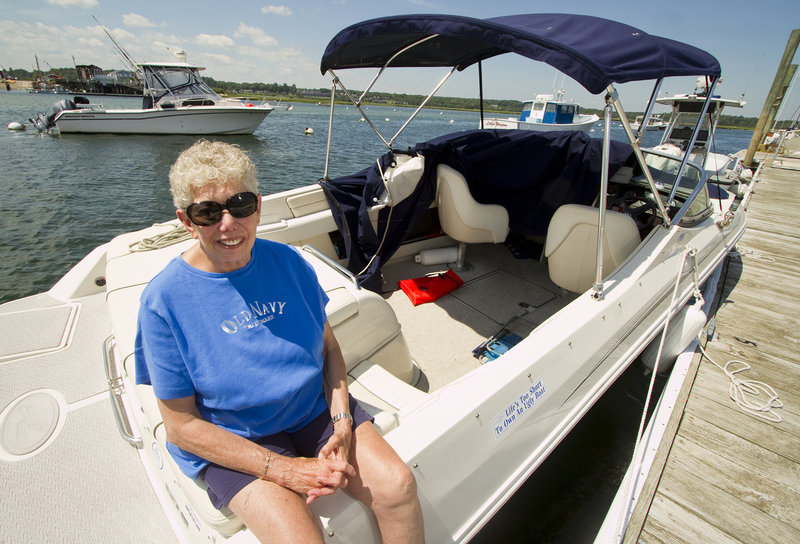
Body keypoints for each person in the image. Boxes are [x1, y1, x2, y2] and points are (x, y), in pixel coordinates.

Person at [134, 140, 424, 543]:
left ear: (257, 206)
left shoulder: (289, 262)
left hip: (312, 410)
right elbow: (181, 427)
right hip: (233, 437)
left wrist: (341, 420)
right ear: (186, 221)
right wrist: (287, 470)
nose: (228, 224)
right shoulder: (163, 301)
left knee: (398, 487)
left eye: (240, 204)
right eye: (207, 212)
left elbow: (329, 350)